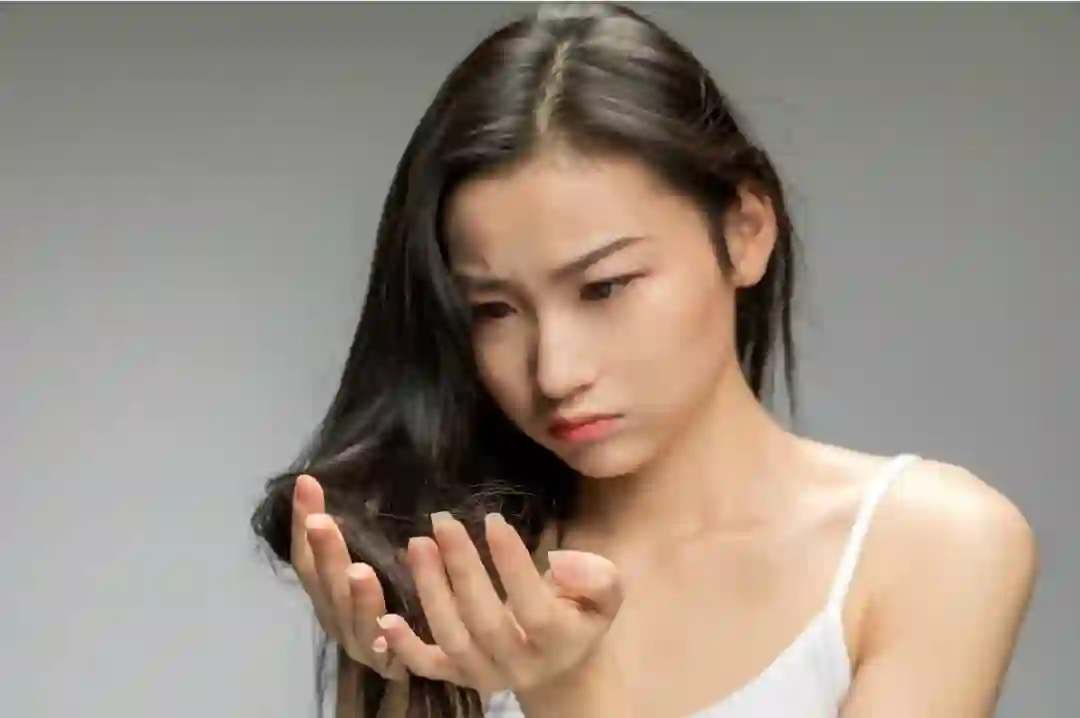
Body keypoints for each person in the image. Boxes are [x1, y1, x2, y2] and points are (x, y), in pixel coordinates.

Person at [250, 4, 1038, 717]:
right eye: (493, 310)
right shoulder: (443, 572)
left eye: (605, 287)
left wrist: (566, 692)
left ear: (745, 230)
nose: (555, 372)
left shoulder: (929, 544)